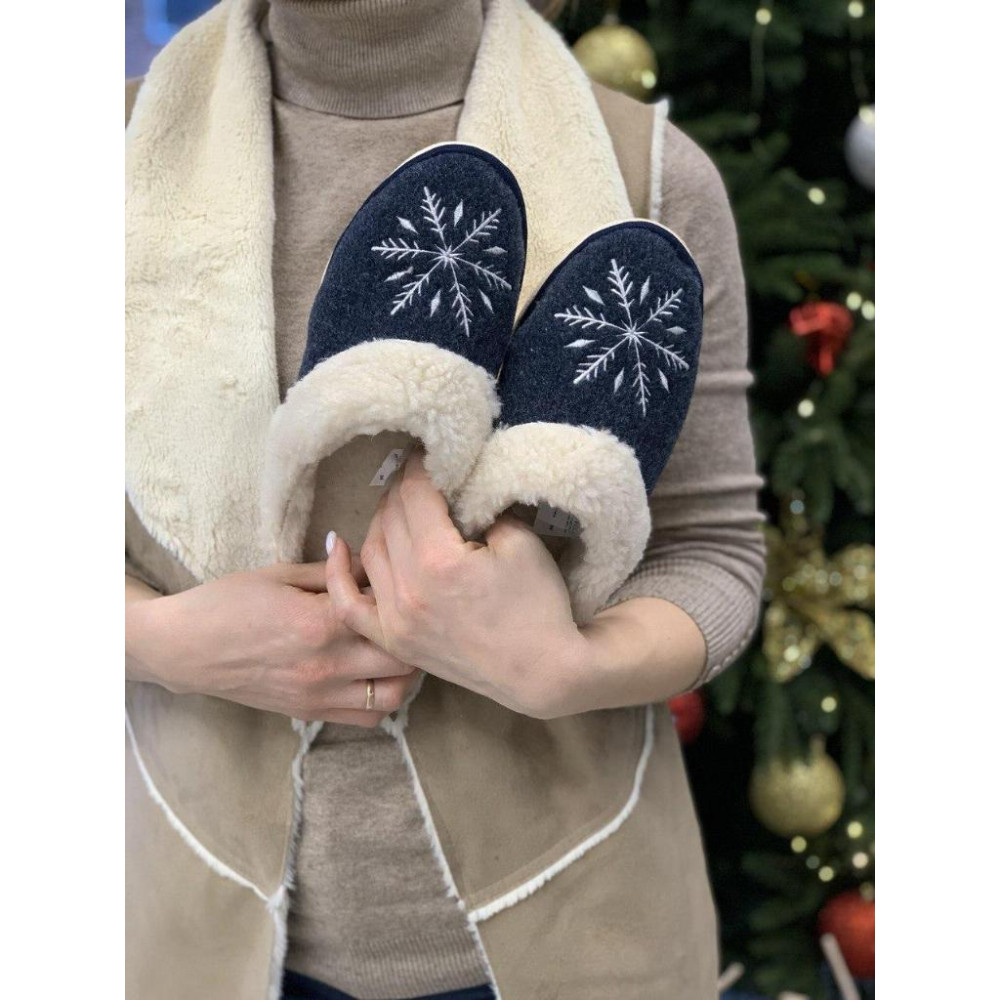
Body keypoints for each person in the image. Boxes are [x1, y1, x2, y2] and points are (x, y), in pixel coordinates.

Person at [124, 1, 765, 998]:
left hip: (583, 932)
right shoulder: (101, 164)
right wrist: (161, 639)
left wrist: (568, 665)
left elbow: (716, 548)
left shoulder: (646, 172)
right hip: (192, 929)